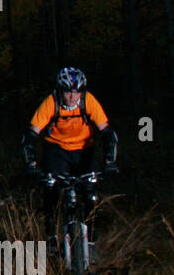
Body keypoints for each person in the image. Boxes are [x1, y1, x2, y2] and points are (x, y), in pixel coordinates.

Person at [22, 67, 118, 262]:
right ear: (59, 90)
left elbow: (108, 133)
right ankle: (51, 237)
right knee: (52, 190)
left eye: (76, 92)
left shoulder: (87, 101)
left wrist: (110, 162)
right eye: (67, 91)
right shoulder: (52, 102)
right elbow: (30, 135)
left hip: (84, 151)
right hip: (56, 151)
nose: (72, 97)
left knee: (91, 195)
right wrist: (31, 164)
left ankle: (90, 242)